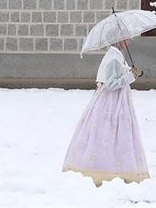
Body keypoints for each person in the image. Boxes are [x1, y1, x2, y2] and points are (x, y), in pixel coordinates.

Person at [62, 38, 149, 186]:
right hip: (112, 102)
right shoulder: (114, 56)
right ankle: (106, 170)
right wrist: (130, 76)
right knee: (109, 132)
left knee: (115, 132)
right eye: (126, 39)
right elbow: (110, 83)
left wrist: (130, 72)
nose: (128, 41)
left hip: (117, 100)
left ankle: (117, 168)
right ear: (119, 40)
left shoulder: (116, 55)